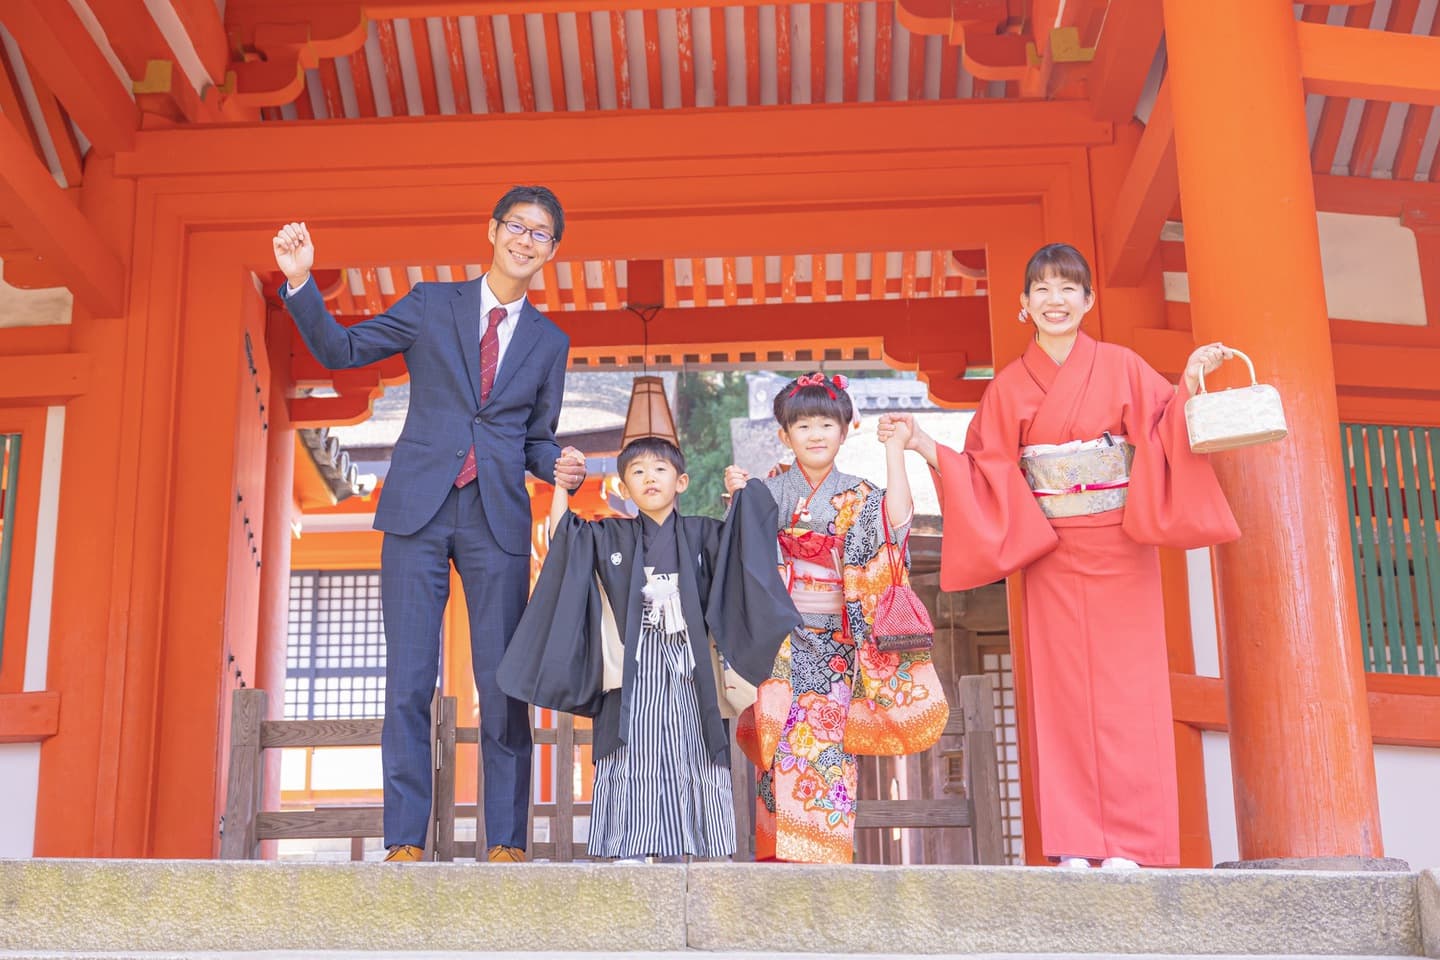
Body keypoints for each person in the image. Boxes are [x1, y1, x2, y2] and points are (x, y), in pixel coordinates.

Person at [878, 242, 1240, 869]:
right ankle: (1075, 843)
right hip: (1049, 551)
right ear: (1023, 305)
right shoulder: (1010, 387)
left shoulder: (1123, 366)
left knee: (1131, 693)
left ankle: (1132, 843)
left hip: (1121, 547)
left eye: (1068, 288)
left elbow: (1163, 431)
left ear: (1088, 301)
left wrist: (1190, 382)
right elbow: (984, 468)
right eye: (1041, 289)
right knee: (1060, 696)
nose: (1055, 300)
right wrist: (923, 446)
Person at [270, 186, 586, 863]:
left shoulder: (550, 341)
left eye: (541, 233)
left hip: (496, 514)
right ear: (492, 230)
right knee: (410, 678)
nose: (525, 240)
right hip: (418, 506)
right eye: (517, 226)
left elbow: (537, 438)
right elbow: (342, 351)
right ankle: (405, 839)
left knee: (504, 682)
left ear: (552, 251)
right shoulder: (430, 303)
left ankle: (505, 840)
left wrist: (560, 464)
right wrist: (300, 282)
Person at [498, 436, 798, 861]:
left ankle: (704, 844)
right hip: (632, 661)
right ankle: (630, 847)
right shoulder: (610, 535)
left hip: (690, 660)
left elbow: (743, 555)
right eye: (637, 472)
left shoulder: (702, 532)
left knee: (693, 746)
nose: (649, 478)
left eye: (659, 469)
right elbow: (565, 538)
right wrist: (562, 488)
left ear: (682, 482)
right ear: (624, 489)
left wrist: (741, 498)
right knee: (632, 750)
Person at [724, 373, 950, 863]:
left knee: (828, 746)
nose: (815, 434)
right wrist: (741, 502)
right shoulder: (769, 490)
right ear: (784, 435)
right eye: (802, 425)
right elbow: (740, 558)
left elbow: (895, 526)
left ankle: (822, 859)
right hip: (781, 646)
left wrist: (895, 450)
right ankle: (778, 859)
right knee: (778, 747)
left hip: (836, 647)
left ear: (846, 430)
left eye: (827, 423)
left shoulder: (859, 493)